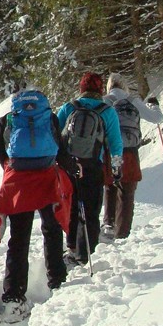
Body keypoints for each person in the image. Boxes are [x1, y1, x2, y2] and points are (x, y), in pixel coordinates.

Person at [0, 88, 73, 323]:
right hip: (47, 177)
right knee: (52, 228)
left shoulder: (7, 119)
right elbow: (61, 150)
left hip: (19, 182)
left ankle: (14, 298)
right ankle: (57, 280)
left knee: (19, 238)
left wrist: (10, 167)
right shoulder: (49, 116)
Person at [56, 72, 122, 269]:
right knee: (91, 209)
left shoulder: (69, 107)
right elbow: (116, 143)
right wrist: (116, 167)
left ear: (81, 88)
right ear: (101, 89)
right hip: (93, 165)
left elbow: (55, 133)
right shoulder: (107, 111)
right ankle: (87, 252)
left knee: (71, 206)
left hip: (69, 166)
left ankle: (71, 248)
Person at [101, 73, 163, 240]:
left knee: (111, 185)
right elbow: (157, 118)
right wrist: (154, 106)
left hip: (113, 152)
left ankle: (109, 224)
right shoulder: (132, 101)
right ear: (124, 85)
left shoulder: (105, 101)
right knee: (127, 190)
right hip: (130, 152)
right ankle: (123, 232)